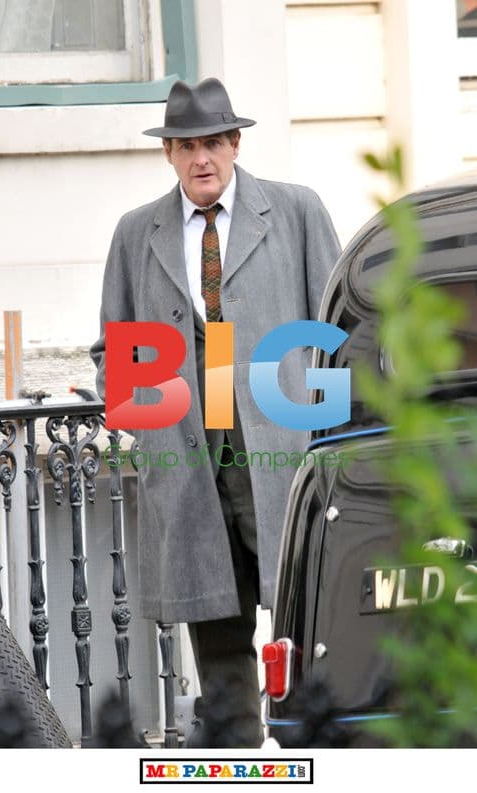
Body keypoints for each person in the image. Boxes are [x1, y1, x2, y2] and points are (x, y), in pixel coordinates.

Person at [90, 77, 341, 747]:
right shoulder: (136, 233)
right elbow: (111, 352)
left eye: (213, 143)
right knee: (217, 620)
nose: (202, 159)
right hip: (189, 459)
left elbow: (336, 333)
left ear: (235, 144)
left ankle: (319, 746)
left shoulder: (294, 211)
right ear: (169, 154)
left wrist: (331, 437)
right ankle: (237, 756)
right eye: (187, 145)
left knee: (305, 606)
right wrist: (142, 423)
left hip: (280, 453)